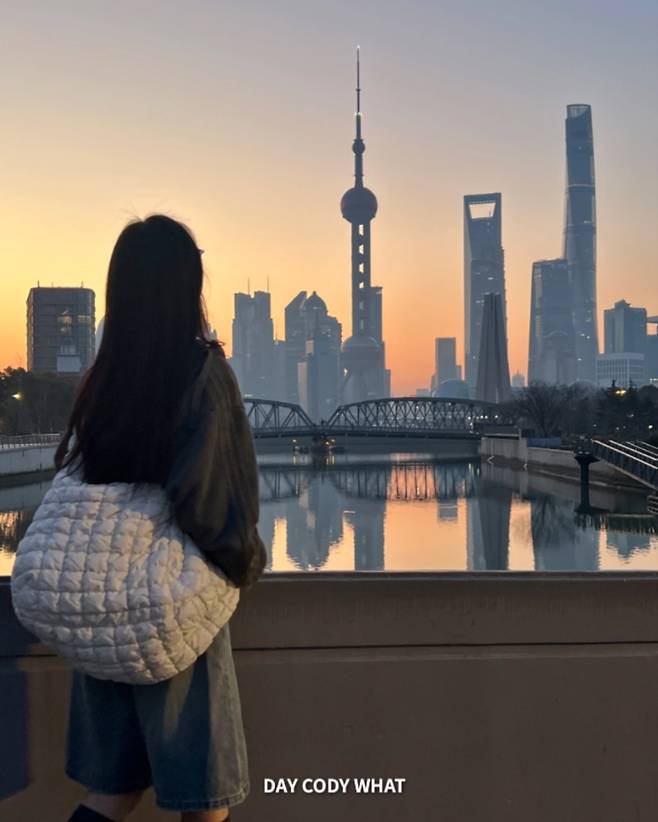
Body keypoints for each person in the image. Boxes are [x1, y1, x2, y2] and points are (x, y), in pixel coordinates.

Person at [54, 214, 267, 822]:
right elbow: (213, 500)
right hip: (169, 607)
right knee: (205, 801)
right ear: (187, 287)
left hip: (100, 603)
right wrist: (245, 564)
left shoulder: (103, 379)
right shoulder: (202, 372)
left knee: (112, 792)